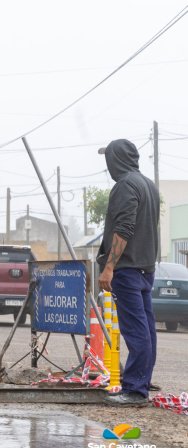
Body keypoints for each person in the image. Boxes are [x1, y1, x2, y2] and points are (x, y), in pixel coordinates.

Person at [97, 139, 160, 407]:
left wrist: (109, 266)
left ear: (116, 160)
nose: (107, 165)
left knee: (136, 331)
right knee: (146, 329)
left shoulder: (125, 185)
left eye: (108, 158)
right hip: (146, 269)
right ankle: (141, 382)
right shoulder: (148, 185)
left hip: (128, 269)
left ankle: (135, 390)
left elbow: (124, 228)